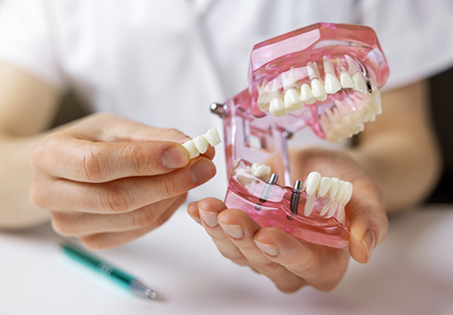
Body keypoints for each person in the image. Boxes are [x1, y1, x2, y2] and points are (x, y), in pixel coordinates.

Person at [0, 0, 450, 292]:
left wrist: (362, 183)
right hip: (171, 271)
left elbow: (407, 144)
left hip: (380, 281)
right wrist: (51, 173)